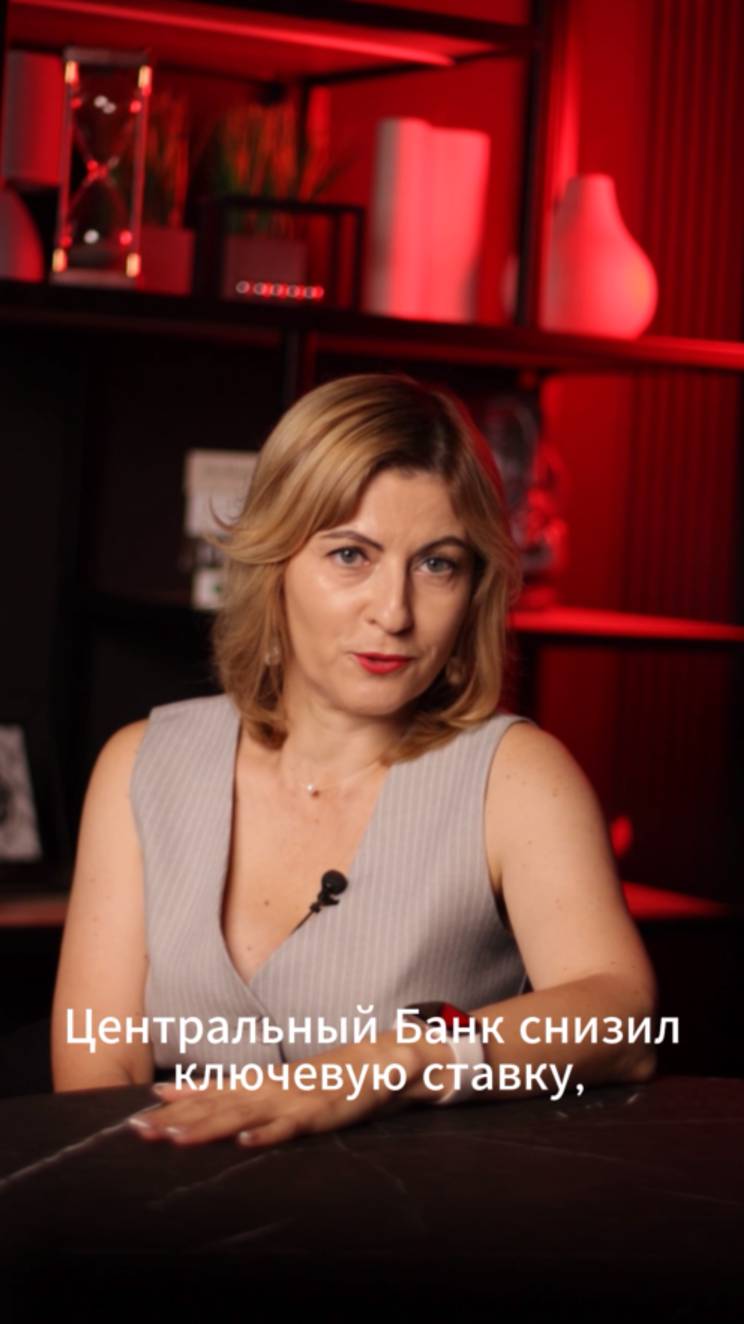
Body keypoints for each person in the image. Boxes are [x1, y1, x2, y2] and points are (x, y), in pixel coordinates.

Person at [50, 372, 658, 1149]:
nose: (394, 611)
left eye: (437, 564)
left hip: (417, 1216)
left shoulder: (518, 777)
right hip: (165, 1209)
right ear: (274, 562)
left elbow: (625, 1022)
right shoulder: (141, 765)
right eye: (350, 555)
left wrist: (394, 1062)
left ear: (474, 587)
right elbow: (96, 1071)